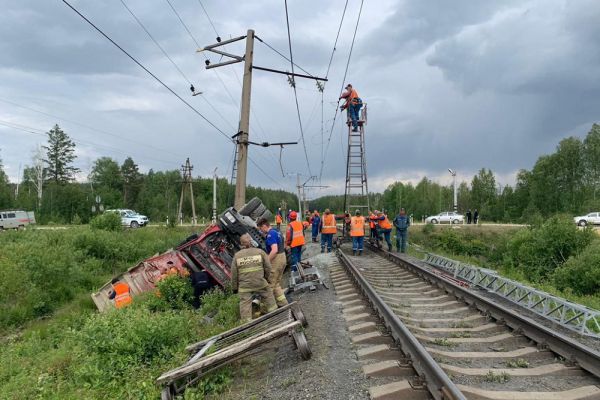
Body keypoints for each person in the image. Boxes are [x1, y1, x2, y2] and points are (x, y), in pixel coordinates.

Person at [231, 233, 277, 323]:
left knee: (245, 303)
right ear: (251, 242)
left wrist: (235, 288)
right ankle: (275, 316)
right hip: (260, 283)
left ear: (241, 244)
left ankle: (246, 324)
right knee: (268, 296)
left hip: (245, 287)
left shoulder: (237, 256)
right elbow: (268, 267)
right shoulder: (260, 252)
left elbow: (234, 274)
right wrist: (265, 278)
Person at [257, 218, 288, 307]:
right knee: (276, 283)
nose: (260, 231)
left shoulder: (270, 235)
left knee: (269, 284)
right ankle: (282, 303)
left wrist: (266, 261)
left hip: (276, 260)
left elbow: (274, 250)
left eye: (260, 229)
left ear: (264, 226)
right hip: (283, 258)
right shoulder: (277, 231)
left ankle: (267, 307)